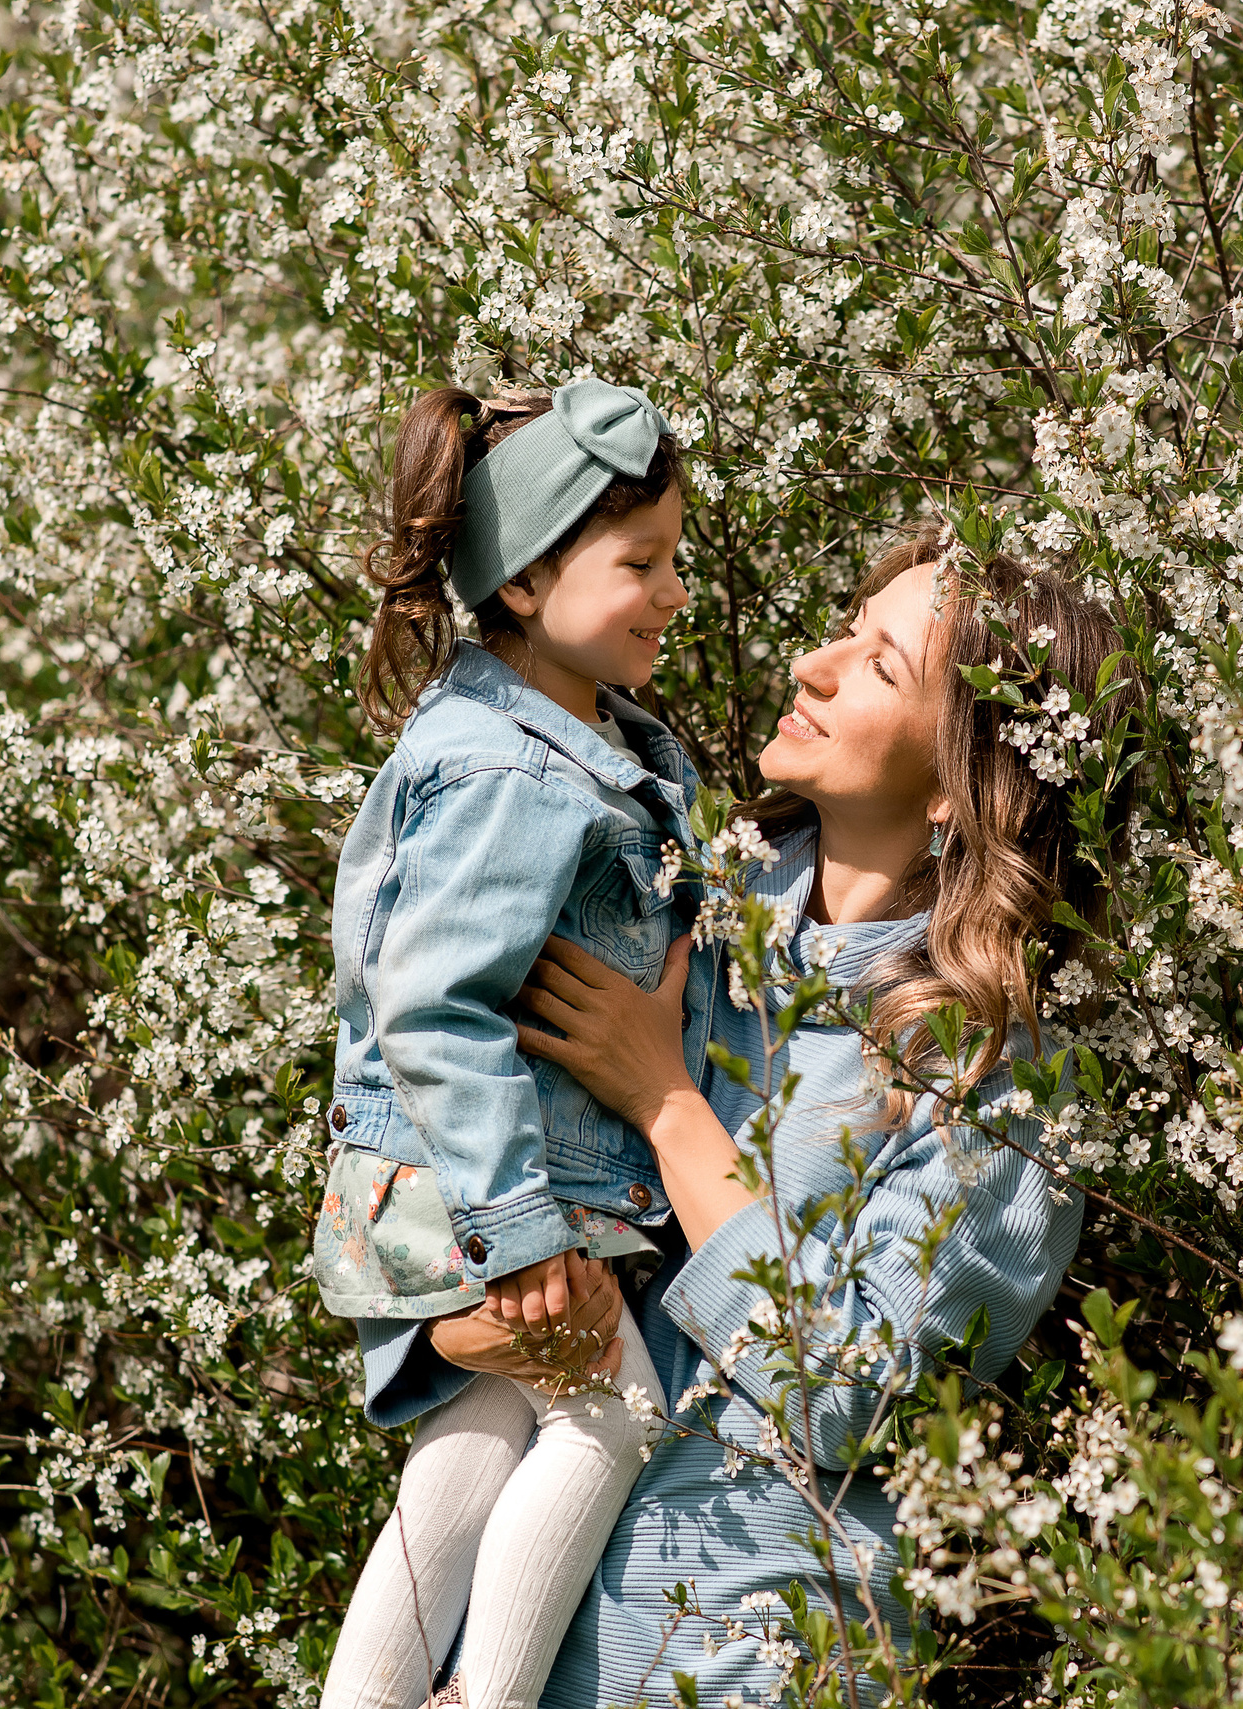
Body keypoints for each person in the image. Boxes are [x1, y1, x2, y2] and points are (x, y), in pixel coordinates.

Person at [472, 530, 1122, 1707]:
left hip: (743, 1650)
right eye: (844, 625)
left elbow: (852, 1394)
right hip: (507, 1613)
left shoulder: (996, 1070)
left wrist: (668, 1101)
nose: (813, 665)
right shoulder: (675, 905)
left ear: (949, 782)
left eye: (878, 665)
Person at [311, 378, 710, 1709]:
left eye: (673, 561)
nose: (671, 593)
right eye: (638, 564)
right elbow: (434, 1006)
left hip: (471, 1183)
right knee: (613, 1418)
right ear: (529, 582)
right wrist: (524, 1229)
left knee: (484, 1424)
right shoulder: (509, 768)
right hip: (496, 1192)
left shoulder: (573, 733)